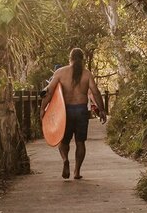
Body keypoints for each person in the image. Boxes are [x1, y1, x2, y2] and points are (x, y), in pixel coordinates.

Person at [41, 47, 107, 180]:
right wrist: (102, 110)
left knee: (63, 141)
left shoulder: (60, 73)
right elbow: (95, 92)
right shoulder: (87, 74)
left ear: (69, 58)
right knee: (80, 142)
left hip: (65, 112)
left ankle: (65, 159)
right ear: (82, 59)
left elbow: (49, 92)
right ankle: (77, 171)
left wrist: (43, 108)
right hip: (82, 111)